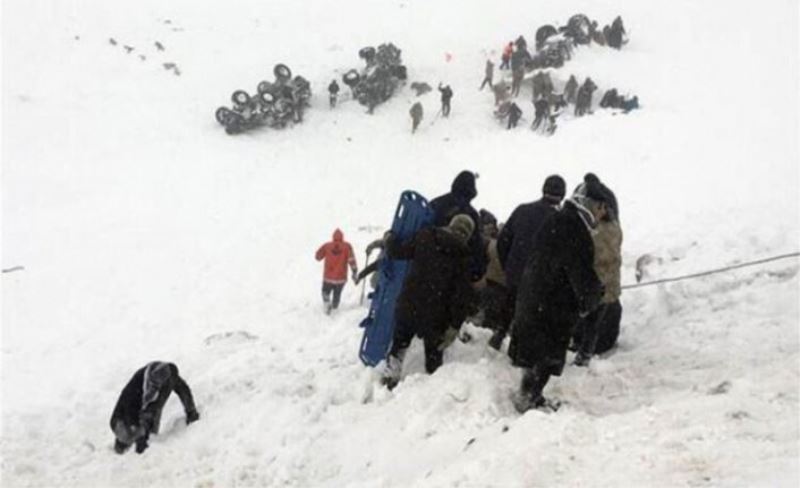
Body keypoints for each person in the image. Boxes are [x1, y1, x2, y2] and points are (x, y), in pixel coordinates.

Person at [508, 183, 606, 413]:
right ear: (592, 205)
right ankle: (529, 399)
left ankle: (529, 395)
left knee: (535, 356)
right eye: (602, 208)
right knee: (544, 356)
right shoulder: (574, 228)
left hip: (536, 296)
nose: (602, 215)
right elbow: (579, 269)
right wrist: (593, 295)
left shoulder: (561, 219)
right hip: (551, 305)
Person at [380, 215, 477, 389]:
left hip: (409, 304)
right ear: (468, 235)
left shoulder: (426, 236)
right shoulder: (464, 257)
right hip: (436, 316)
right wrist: (454, 326)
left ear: (450, 224)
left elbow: (397, 251)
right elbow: (461, 297)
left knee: (399, 345)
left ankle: (389, 380)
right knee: (434, 355)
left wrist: (389, 238)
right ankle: (432, 390)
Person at [493, 175, 565, 349]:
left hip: (516, 271)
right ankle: (517, 350)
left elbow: (502, 240)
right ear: (562, 195)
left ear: (543, 189)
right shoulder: (560, 220)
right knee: (529, 316)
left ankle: (500, 333)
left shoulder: (522, 210)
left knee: (510, 303)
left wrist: (508, 264)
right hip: (539, 279)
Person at [572, 181, 622, 366]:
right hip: (610, 303)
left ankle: (584, 354)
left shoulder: (590, 233)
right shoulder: (614, 228)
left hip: (591, 300)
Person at [110, 361, 199, 454]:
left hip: (148, 413)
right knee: (130, 436)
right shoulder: (136, 386)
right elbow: (130, 409)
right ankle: (121, 450)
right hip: (121, 419)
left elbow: (183, 390)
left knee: (150, 438)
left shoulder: (170, 376)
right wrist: (138, 432)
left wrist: (191, 411)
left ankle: (143, 447)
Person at [430, 171, 488, 282]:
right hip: (452, 271)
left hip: (426, 262)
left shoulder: (437, 203)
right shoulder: (472, 215)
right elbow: (477, 247)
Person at [315, 229, 358, 314]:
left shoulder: (327, 246)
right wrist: (354, 270)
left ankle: (327, 303)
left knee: (325, 292)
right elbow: (351, 260)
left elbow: (318, 257)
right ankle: (335, 307)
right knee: (337, 294)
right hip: (341, 278)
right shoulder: (347, 246)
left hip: (328, 277)